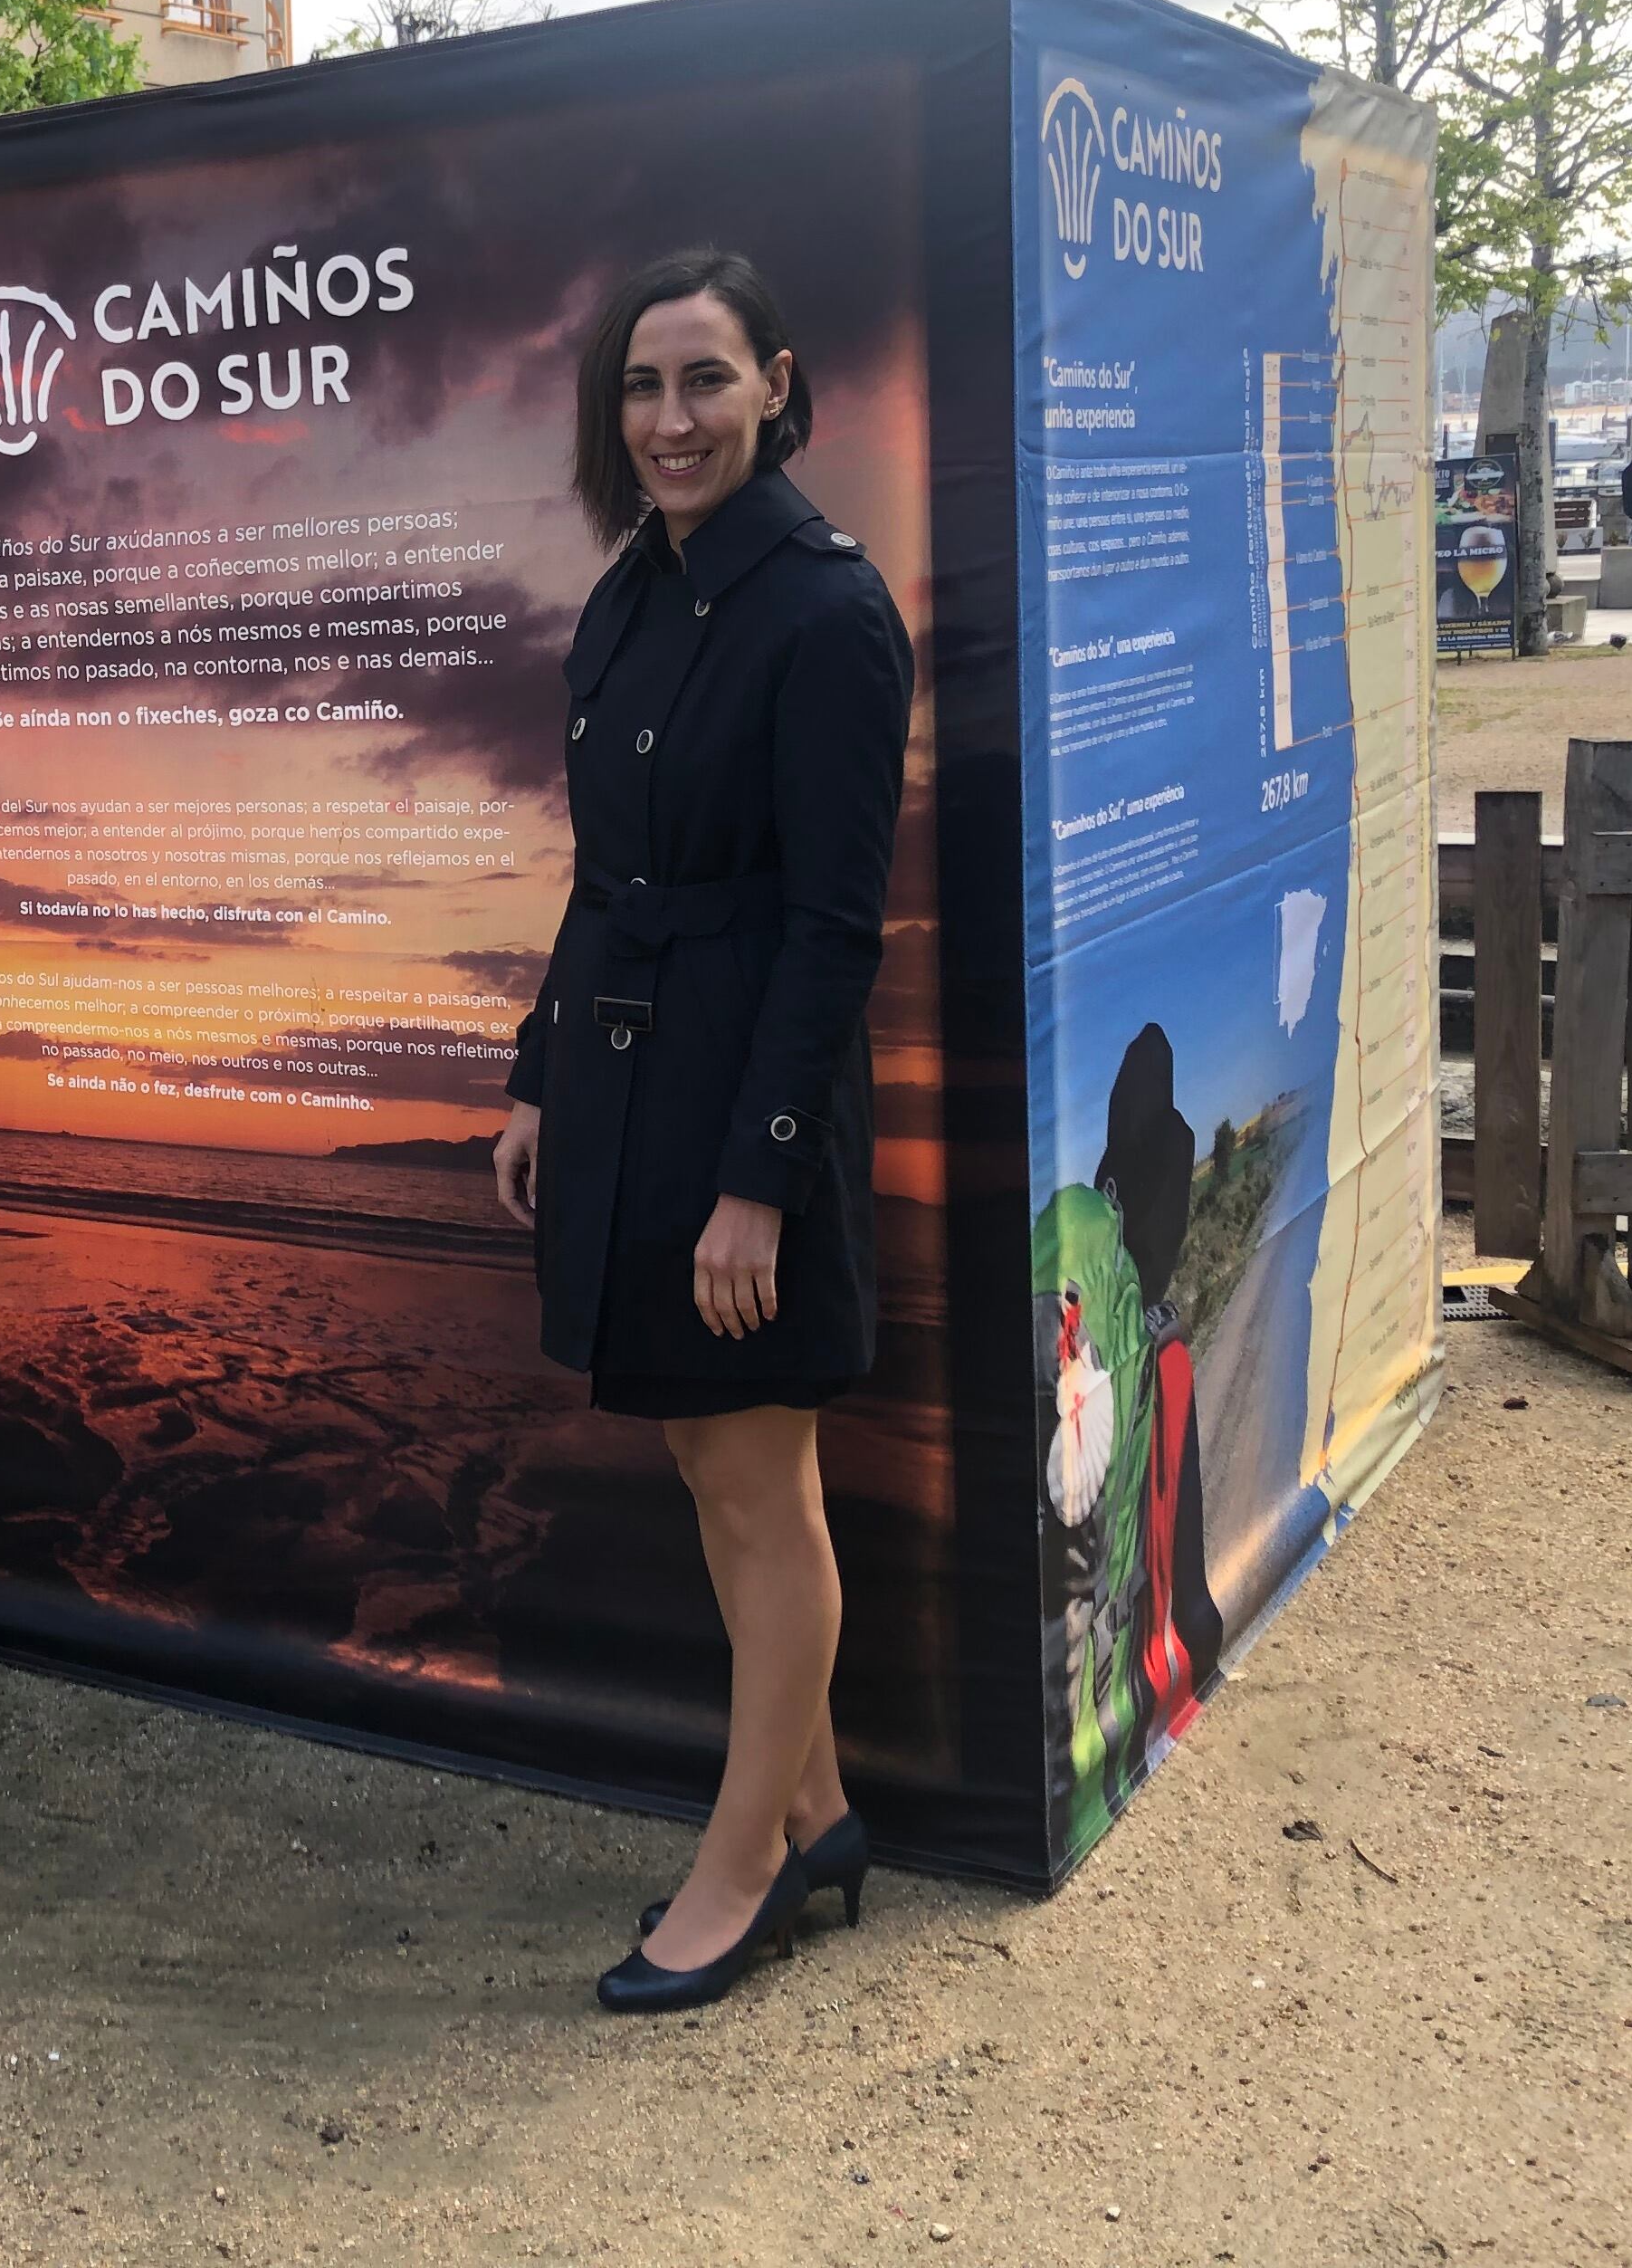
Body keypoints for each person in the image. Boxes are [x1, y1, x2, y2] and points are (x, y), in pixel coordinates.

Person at [490, 249, 913, 2014]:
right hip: (624, 1083)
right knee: (699, 1459)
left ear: (777, 386)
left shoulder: (829, 614)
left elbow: (833, 929)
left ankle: (743, 1875)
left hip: (748, 1098)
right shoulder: (628, 600)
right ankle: (813, 1810)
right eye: (644, 389)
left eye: (705, 382)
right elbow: (602, 880)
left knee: (760, 1483)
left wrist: (760, 1181)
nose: (670, 420)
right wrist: (534, 1071)